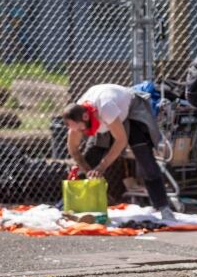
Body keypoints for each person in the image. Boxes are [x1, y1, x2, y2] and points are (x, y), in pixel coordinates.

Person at [62, 84, 175, 220]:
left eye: (80, 129)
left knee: (145, 159)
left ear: (86, 117)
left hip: (130, 111)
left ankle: (163, 207)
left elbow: (121, 141)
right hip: (107, 119)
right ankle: (74, 207)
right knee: (90, 158)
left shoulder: (106, 108)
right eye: (76, 130)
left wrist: (102, 167)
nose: (81, 133)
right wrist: (87, 169)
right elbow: (73, 149)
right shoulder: (77, 116)